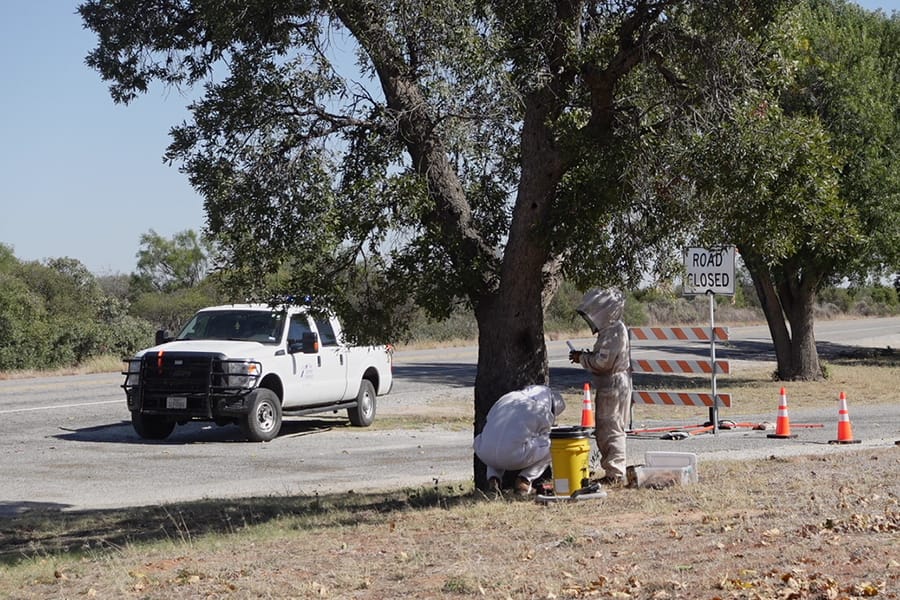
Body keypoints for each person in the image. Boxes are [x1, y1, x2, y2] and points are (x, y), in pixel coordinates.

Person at [568, 288, 632, 486]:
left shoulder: (614, 331)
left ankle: (615, 474)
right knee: (607, 429)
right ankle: (613, 472)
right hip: (612, 384)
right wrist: (585, 356)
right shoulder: (612, 330)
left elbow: (603, 362)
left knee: (611, 429)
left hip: (613, 385)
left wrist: (582, 358)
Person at [473, 384, 566, 496]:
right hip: (512, 457)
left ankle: (493, 479)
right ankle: (524, 481)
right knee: (555, 443)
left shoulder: (507, 398)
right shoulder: (541, 410)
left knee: (494, 439)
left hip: (484, 453)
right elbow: (546, 434)